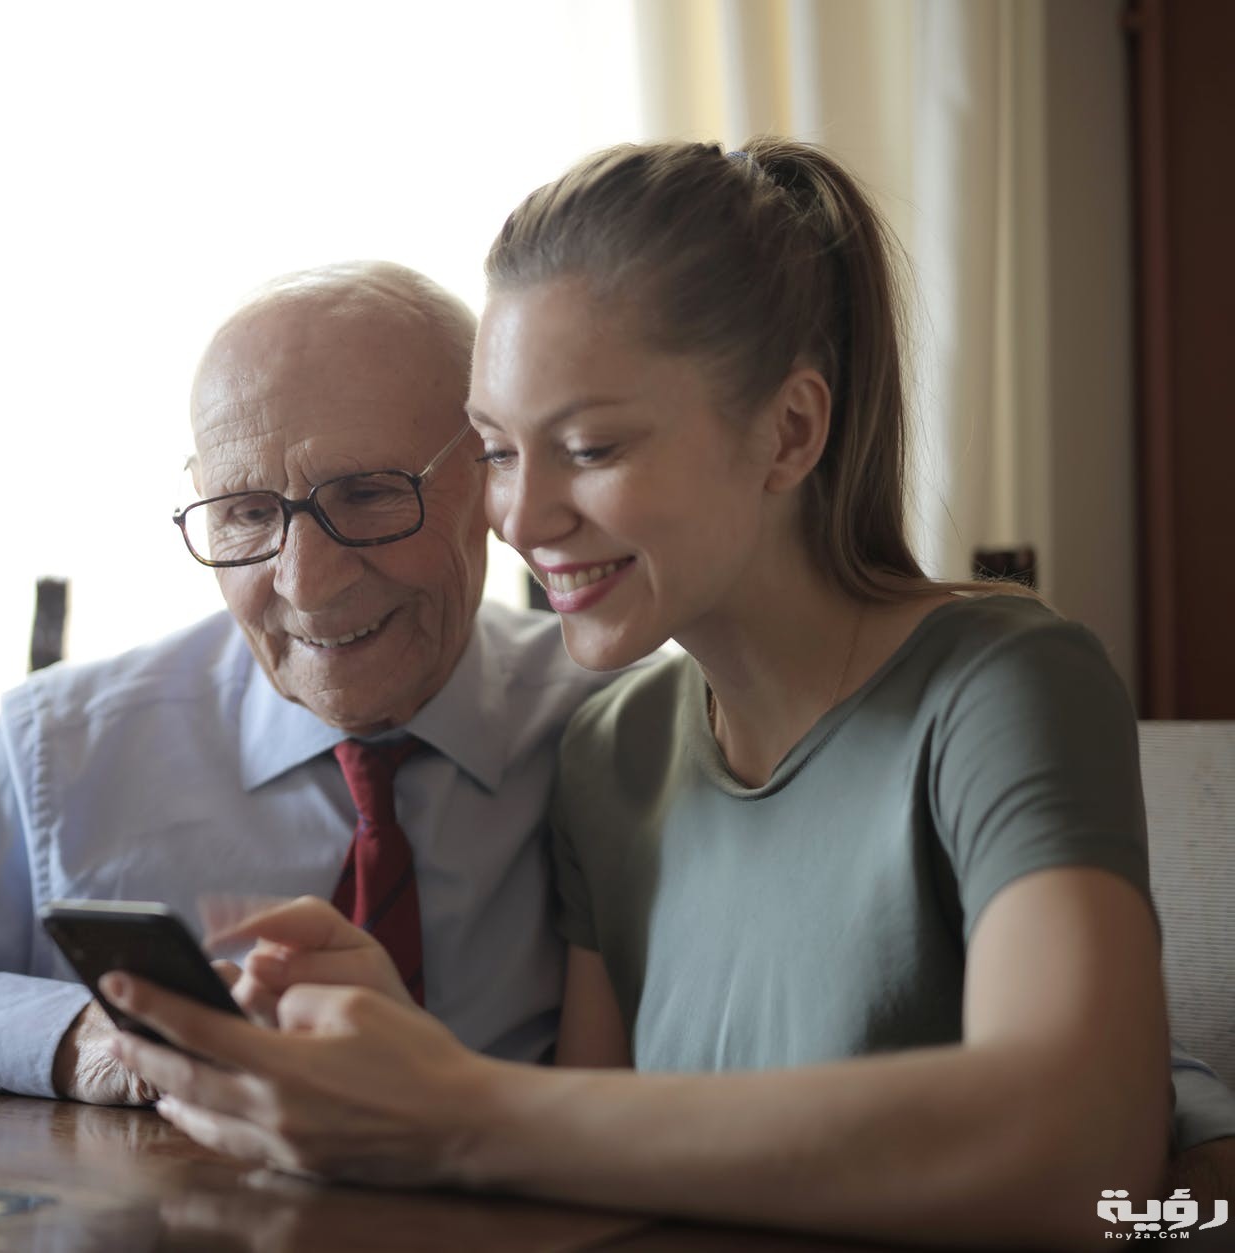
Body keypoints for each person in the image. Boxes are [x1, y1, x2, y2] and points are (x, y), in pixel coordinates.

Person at [103, 139, 1212, 1248]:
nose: (521, 518)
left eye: (588, 447)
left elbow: (1087, 1149)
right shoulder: (613, 750)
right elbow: (592, 1175)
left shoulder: (1000, 685)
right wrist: (406, 1063)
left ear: (789, 431)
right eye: (496, 451)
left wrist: (453, 1104)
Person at [0, 261, 608, 1104]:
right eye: (246, 513)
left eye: (367, 494)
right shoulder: (73, 749)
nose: (305, 582)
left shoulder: (621, 729)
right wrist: (70, 1036)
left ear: (493, 476)